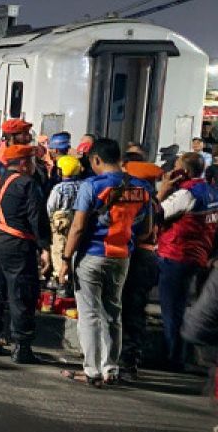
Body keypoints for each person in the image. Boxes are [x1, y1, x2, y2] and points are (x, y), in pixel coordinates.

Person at [58, 138, 154, 387]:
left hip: (92, 254)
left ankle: (91, 371)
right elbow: (146, 230)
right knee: (113, 314)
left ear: (96, 160)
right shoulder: (141, 188)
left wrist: (66, 259)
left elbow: (78, 227)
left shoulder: (92, 185)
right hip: (121, 256)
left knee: (89, 314)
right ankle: (110, 369)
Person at [0, 145, 51, 362]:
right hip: (17, 246)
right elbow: (36, 218)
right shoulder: (28, 184)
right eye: (31, 161)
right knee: (21, 295)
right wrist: (45, 247)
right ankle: (22, 347)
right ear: (23, 163)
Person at [155, 151, 218, 370]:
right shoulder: (212, 192)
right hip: (198, 256)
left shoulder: (186, 194)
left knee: (172, 310)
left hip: (175, 255)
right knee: (182, 306)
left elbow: (156, 213)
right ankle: (180, 355)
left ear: (184, 171)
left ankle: (173, 358)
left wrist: (163, 191)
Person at [119, 159, 164, 381]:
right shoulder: (155, 200)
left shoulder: (135, 196)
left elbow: (133, 229)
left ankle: (125, 361)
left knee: (127, 310)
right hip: (149, 258)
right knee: (135, 311)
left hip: (135, 257)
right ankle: (130, 360)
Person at [46, 155, 85, 287]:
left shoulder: (59, 188)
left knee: (58, 249)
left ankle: (60, 278)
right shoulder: (83, 186)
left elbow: (50, 207)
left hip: (60, 223)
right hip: (78, 220)